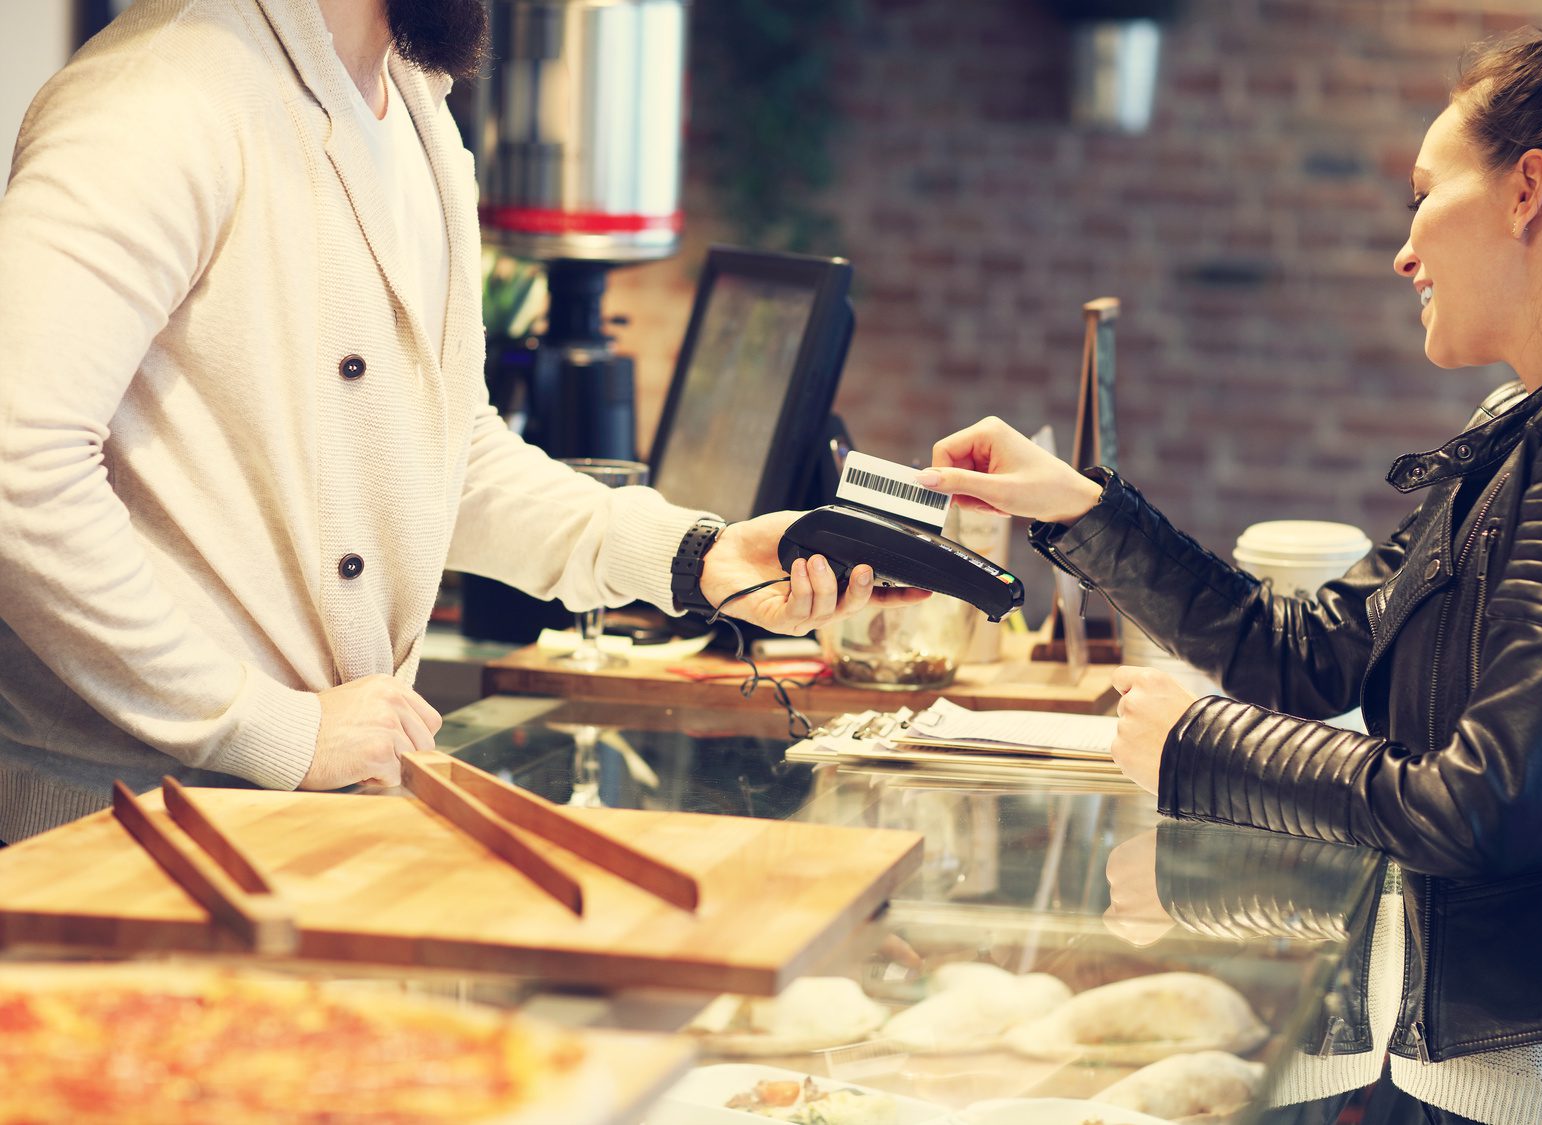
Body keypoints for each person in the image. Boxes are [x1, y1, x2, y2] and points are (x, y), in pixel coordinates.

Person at [918, 2, 1542, 1121]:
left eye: (1423, 194)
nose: (1403, 245)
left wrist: (1198, 748)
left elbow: (1485, 811)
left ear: (1527, 190)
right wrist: (1077, 507)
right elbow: (1310, 654)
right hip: (1451, 1063)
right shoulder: (1529, 419)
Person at [0, 0, 920, 845]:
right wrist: (273, 727)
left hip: (304, 824)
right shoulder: (155, 100)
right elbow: (18, 464)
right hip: (120, 833)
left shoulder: (416, 112)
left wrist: (693, 558)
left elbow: (453, 454)